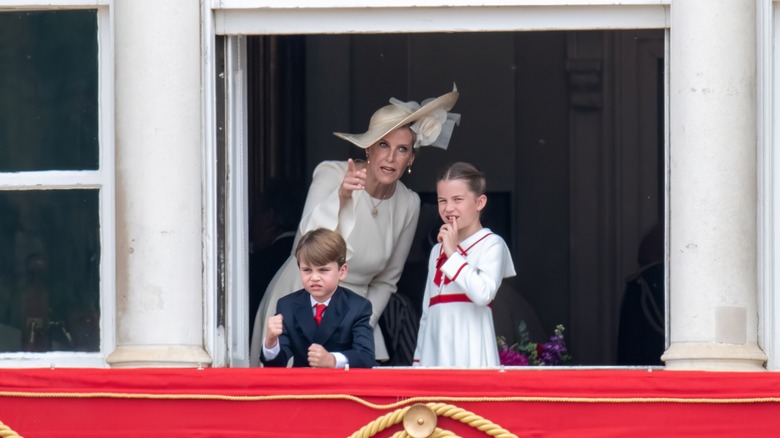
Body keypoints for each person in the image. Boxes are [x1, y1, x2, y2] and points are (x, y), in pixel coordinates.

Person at [250, 86, 461, 366]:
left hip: (354, 315)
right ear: (368, 148)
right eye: (383, 145)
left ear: (410, 159)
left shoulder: (408, 203)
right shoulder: (332, 173)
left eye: (402, 150)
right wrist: (342, 196)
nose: (390, 157)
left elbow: (387, 281)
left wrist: (357, 324)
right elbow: (304, 244)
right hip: (299, 302)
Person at [413, 162, 516, 368]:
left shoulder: (492, 244)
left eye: (458, 199)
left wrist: (452, 254)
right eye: (442, 200)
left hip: (472, 352)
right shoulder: (436, 251)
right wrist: (418, 362)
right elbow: (428, 311)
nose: (448, 208)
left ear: (480, 202)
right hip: (435, 356)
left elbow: (483, 294)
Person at [261, 228, 375, 368]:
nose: (314, 278)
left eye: (323, 270)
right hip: (302, 387)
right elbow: (277, 364)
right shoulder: (287, 305)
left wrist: (332, 360)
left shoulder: (357, 306)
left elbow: (365, 357)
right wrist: (271, 342)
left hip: (340, 387)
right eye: (307, 270)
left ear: (342, 271)